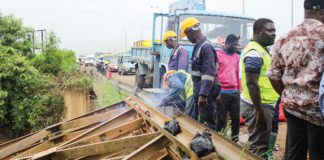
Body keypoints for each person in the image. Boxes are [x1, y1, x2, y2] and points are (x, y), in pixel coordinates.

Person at [267, 0, 324, 159]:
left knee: (294, 154)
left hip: (292, 107)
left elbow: (273, 75)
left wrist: (288, 93)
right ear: (322, 12)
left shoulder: (286, 38)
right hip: (318, 110)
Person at [240, 18, 280, 157]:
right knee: (258, 147)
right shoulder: (254, 52)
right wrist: (259, 111)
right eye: (269, 30)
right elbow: (251, 83)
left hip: (264, 104)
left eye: (274, 30)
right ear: (257, 32)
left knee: (263, 144)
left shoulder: (262, 50)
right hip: (258, 105)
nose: (273, 33)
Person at [181, 17, 220, 130]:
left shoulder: (206, 47)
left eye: (187, 35)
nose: (187, 39)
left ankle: (210, 142)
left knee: (207, 121)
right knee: (200, 119)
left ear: (191, 31)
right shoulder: (199, 46)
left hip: (207, 91)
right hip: (200, 88)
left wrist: (203, 95)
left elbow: (209, 72)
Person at [215, 34, 241, 142]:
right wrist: (216, 93)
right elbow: (215, 74)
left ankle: (235, 141)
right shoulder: (217, 55)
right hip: (222, 92)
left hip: (234, 92)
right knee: (221, 119)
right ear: (227, 43)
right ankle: (219, 140)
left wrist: (239, 90)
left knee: (236, 119)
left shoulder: (236, 57)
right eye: (235, 45)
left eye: (237, 45)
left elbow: (236, 73)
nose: (237, 47)